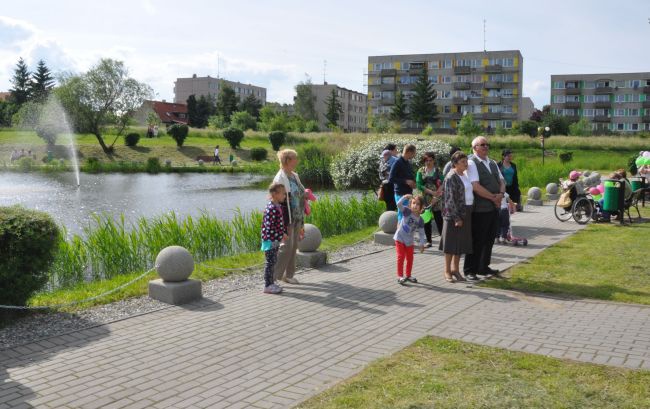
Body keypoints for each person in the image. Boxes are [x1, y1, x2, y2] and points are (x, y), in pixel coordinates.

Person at [463, 136, 505, 280]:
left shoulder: (492, 162)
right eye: (482, 145)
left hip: (493, 207)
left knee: (489, 238)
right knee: (477, 239)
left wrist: (500, 194)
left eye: (487, 144)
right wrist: (494, 198)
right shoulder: (471, 162)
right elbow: (475, 186)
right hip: (480, 208)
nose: (486, 147)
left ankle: (483, 266)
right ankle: (470, 270)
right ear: (474, 148)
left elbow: (502, 180)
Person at [273, 149, 306, 284]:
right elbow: (277, 200)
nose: (296, 161)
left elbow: (301, 192)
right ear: (287, 160)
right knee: (286, 247)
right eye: (294, 158)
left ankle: (289, 275)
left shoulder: (294, 175)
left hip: (297, 216)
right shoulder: (280, 178)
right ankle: (274, 277)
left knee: (293, 247)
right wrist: (281, 221)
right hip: (287, 218)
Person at [440, 151, 473, 282]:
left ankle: (456, 270)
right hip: (454, 215)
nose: (466, 164)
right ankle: (447, 271)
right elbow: (449, 200)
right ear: (455, 164)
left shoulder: (464, 174)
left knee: (460, 244)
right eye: (463, 162)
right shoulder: (451, 177)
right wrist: (456, 218)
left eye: (466, 161)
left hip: (466, 212)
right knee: (450, 244)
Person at [261, 183, 288, 294]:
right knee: (270, 263)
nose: (284, 195)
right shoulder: (271, 208)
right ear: (274, 194)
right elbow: (269, 227)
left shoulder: (278, 206)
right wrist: (279, 236)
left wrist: (282, 234)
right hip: (270, 240)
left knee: (273, 262)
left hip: (275, 240)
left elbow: (278, 225)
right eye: (282, 193)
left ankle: (271, 282)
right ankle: (267, 286)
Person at [393, 194, 426, 285]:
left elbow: (421, 233)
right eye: (413, 203)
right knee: (401, 256)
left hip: (409, 241)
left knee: (410, 258)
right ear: (410, 204)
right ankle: (400, 276)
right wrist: (404, 197)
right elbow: (399, 205)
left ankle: (408, 275)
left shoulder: (420, 220)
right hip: (399, 238)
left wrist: (422, 244)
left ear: (421, 207)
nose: (415, 205)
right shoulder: (407, 211)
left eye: (418, 204)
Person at [416, 151, 443, 247]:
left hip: (437, 198)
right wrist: (431, 192)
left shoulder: (438, 170)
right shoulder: (420, 171)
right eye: (426, 160)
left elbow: (443, 183)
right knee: (426, 219)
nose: (428, 162)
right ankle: (429, 241)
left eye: (430, 160)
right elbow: (419, 185)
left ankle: (443, 240)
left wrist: (436, 195)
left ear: (433, 160)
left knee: (439, 218)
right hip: (425, 198)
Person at [388, 144, 417, 221]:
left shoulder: (408, 163)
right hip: (400, 194)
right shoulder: (397, 162)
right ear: (409, 152)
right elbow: (391, 178)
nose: (414, 155)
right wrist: (406, 181)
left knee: (407, 216)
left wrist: (414, 183)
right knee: (402, 216)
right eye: (414, 153)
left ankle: (405, 232)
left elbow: (410, 176)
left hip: (408, 193)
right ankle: (400, 232)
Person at [378, 143, 398, 211]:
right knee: (393, 206)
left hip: (386, 185)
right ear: (390, 151)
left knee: (390, 206)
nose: (397, 152)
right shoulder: (396, 160)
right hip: (392, 186)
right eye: (395, 150)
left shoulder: (382, 161)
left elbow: (381, 176)